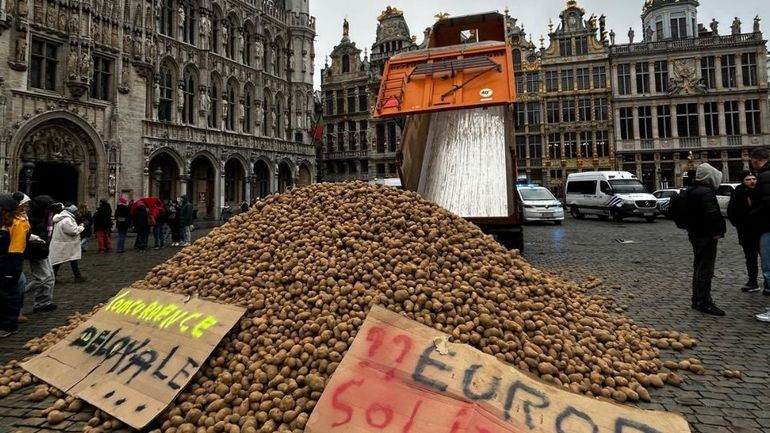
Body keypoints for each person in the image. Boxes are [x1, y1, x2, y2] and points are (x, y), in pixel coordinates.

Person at [685, 163, 727, 316]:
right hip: (706, 234)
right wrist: (719, 231)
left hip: (694, 233)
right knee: (706, 268)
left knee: (698, 265)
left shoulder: (690, 190)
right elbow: (712, 214)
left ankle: (697, 299)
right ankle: (704, 301)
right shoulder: (706, 192)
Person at [727, 171, 760, 292]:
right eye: (748, 179)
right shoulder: (738, 193)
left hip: (762, 230)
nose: (752, 181)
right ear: (743, 181)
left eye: (754, 179)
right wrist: (740, 224)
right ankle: (753, 281)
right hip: (746, 232)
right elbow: (731, 212)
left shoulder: (761, 192)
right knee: (750, 258)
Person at [25, 195, 57, 312]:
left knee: (50, 277)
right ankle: (19, 293)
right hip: (36, 249)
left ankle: (43, 302)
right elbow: (28, 234)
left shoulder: (47, 216)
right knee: (43, 278)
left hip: (44, 248)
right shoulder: (31, 218)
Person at [750, 148, 770, 322]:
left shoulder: (764, 176)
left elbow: (765, 204)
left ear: (755, 160)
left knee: (769, 268)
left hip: (767, 227)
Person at [0, 194, 23, 338]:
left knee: (7, 293)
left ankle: (9, 325)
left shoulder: (17, 223)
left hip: (10, 261)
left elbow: (16, 248)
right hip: (3, 260)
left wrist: (10, 269)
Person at [49, 204, 86, 283]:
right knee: (60, 261)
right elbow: (73, 231)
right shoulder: (67, 220)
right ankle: (52, 277)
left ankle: (77, 275)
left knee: (68, 260)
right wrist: (81, 226)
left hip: (64, 243)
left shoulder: (62, 218)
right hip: (65, 244)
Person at [9, 193, 31, 324]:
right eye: (24, 204)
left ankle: (16, 312)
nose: (27, 206)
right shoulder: (13, 220)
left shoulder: (21, 218)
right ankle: (13, 314)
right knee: (18, 284)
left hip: (14, 256)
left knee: (20, 283)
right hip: (12, 257)